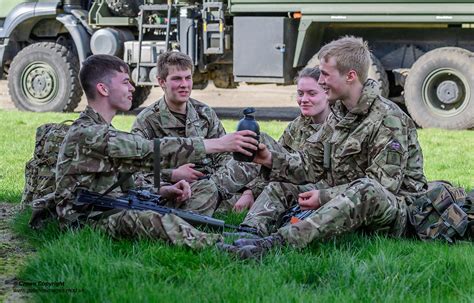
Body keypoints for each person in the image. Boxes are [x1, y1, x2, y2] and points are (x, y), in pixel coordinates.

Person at [222, 36, 428, 258]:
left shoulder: (388, 118)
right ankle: (248, 235)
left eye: (325, 74)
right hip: (346, 200)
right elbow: (311, 163)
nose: (320, 81)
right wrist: (269, 158)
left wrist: (323, 197)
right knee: (282, 185)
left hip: (397, 212)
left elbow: (383, 186)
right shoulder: (338, 112)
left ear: (350, 76)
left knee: (366, 189)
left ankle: (275, 244)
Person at [54, 54, 258, 248]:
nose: (132, 88)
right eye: (125, 82)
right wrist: (219, 143)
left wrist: (162, 190)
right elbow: (150, 151)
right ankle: (224, 246)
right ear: (103, 89)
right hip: (87, 219)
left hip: (109, 206)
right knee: (157, 220)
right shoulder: (90, 133)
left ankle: (228, 234)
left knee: (161, 211)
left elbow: (125, 183)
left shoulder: (101, 129)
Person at [131, 51, 260, 214]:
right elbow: (137, 170)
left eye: (188, 77)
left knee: (257, 156)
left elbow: (225, 155)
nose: (184, 84)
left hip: (213, 182)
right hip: (175, 190)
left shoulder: (204, 113)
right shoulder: (147, 121)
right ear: (161, 82)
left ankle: (230, 198)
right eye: (177, 79)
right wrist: (173, 174)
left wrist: (247, 190)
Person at [233, 67, 330, 215]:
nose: (304, 100)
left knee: (277, 185)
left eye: (312, 93)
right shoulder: (298, 125)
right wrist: (250, 192)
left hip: (314, 191)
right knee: (259, 141)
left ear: (327, 93)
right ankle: (211, 191)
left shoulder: (338, 127)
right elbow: (273, 163)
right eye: (300, 93)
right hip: (289, 180)